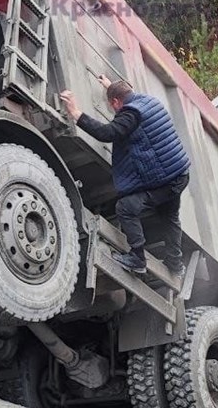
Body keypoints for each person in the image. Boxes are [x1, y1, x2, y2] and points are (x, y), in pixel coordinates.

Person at [60, 76, 190, 276]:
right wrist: (110, 86)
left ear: (115, 102)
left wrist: (76, 113)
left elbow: (107, 132)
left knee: (126, 208)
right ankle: (175, 264)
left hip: (165, 180)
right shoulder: (148, 101)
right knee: (169, 216)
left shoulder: (130, 114)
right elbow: (122, 94)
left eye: (112, 106)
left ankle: (137, 258)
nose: (114, 111)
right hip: (179, 174)